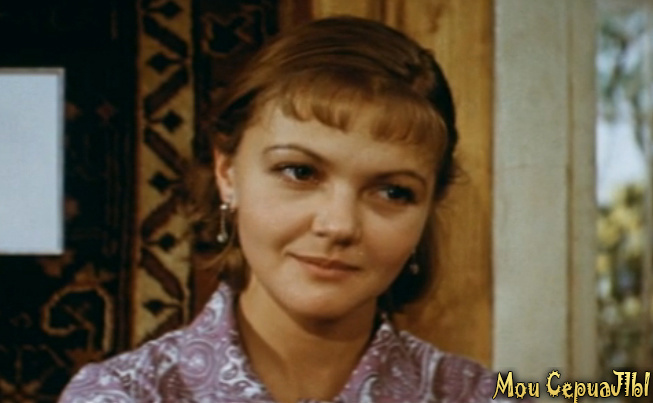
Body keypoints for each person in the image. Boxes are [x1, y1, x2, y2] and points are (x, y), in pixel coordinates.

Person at [59, 16, 513, 403]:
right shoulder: (122, 394)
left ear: (428, 207)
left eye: (393, 192)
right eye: (299, 172)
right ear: (227, 172)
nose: (338, 225)